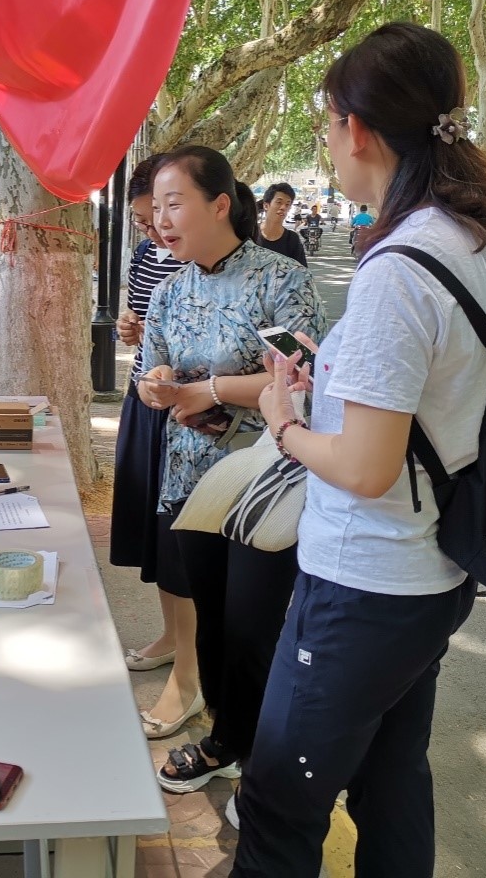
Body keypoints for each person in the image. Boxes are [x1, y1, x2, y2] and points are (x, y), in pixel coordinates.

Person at [230, 22, 486, 873]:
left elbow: (364, 466)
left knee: (278, 799)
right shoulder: (473, 240)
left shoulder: (397, 266)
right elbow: (433, 395)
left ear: (355, 129)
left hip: (365, 581)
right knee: (391, 781)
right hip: (432, 572)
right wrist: (335, 378)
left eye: (327, 123)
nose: (327, 140)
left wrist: (284, 422)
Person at [137, 146, 327, 795]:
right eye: (156, 206)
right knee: (212, 622)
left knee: (253, 627)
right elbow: (149, 372)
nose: (162, 219)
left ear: (219, 205)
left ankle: (265, 766)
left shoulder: (279, 280)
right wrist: (159, 384)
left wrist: (211, 390)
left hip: (263, 481)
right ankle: (226, 741)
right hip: (190, 481)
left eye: (174, 203)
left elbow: (301, 377)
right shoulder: (168, 289)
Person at [108, 155, 195, 739]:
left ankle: (193, 667)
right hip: (148, 398)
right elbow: (142, 325)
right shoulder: (146, 257)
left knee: (185, 541)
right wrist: (132, 330)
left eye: (166, 210)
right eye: (147, 218)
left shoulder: (229, 266)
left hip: (196, 416)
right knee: (158, 536)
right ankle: (172, 638)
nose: (157, 227)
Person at [255, 183, 308, 267]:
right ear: (266, 206)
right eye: (279, 202)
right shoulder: (251, 234)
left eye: (287, 204)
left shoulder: (292, 239)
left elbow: (302, 272)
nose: (283, 207)